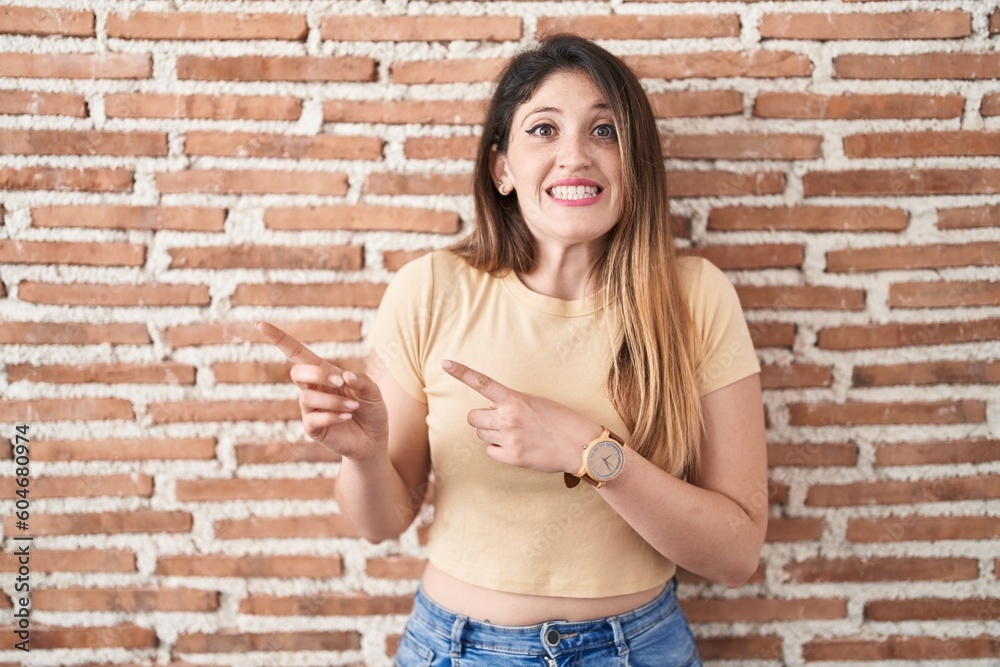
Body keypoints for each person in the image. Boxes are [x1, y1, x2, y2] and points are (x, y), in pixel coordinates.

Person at [257, 33, 767, 667]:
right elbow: (381, 522)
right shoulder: (430, 288)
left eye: (604, 131)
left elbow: (737, 555)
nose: (575, 156)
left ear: (636, 162)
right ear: (502, 168)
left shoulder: (695, 298)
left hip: (639, 649)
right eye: (544, 130)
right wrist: (363, 456)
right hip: (456, 648)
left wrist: (594, 455)